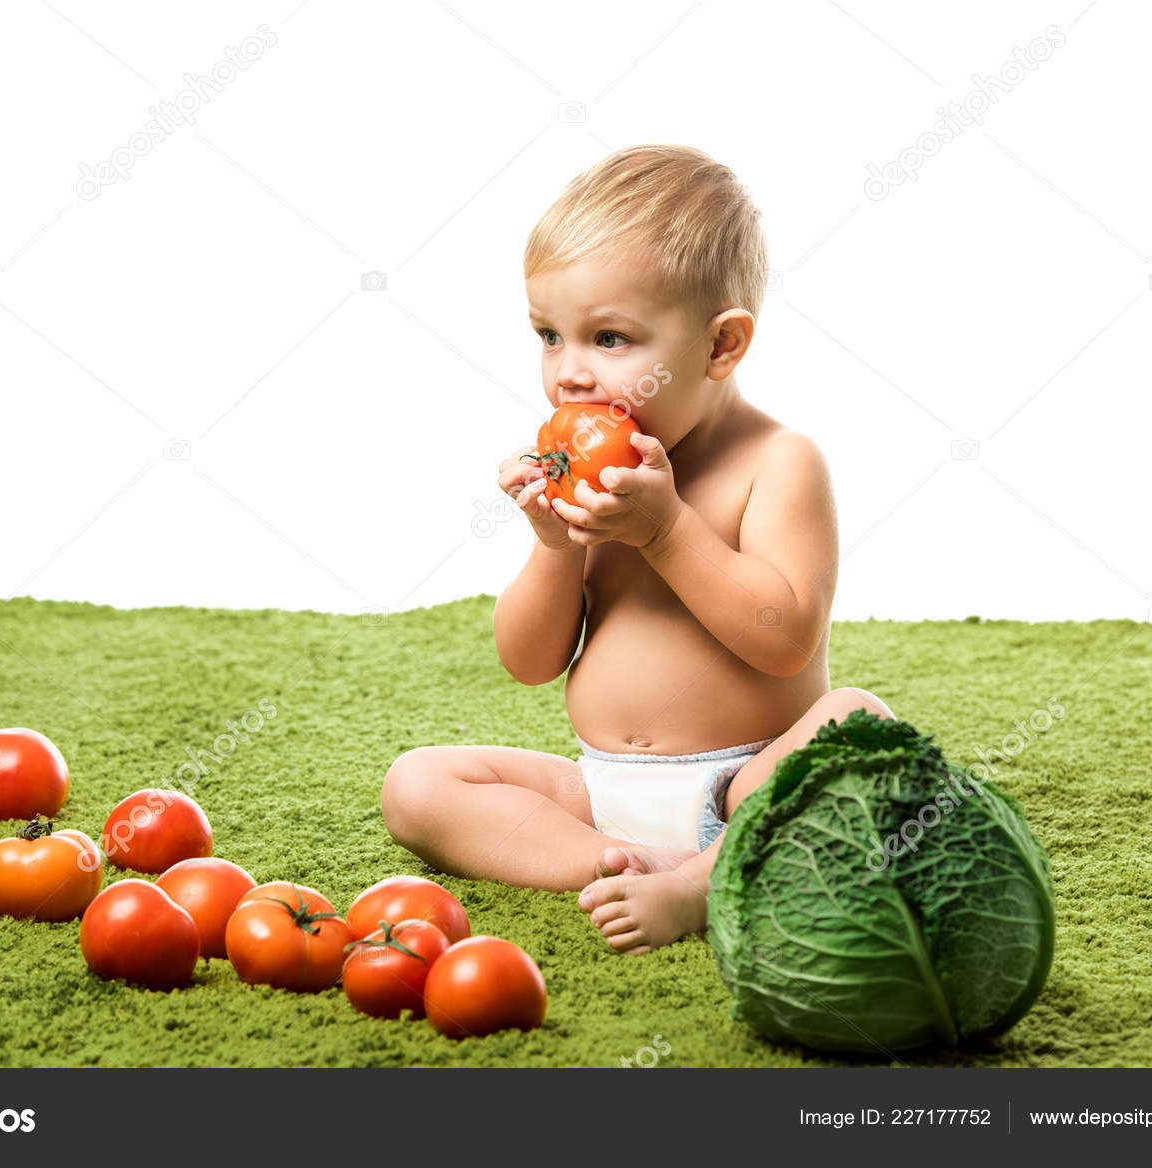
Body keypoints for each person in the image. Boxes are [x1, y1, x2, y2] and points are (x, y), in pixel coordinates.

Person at [381, 144, 892, 954]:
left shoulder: (780, 462)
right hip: (600, 788)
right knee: (417, 784)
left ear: (721, 347)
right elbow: (530, 661)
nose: (569, 376)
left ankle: (707, 879)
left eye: (610, 340)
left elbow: (785, 637)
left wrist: (666, 530)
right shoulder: (598, 475)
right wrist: (554, 544)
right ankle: (619, 862)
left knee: (860, 727)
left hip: (747, 784)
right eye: (550, 335)